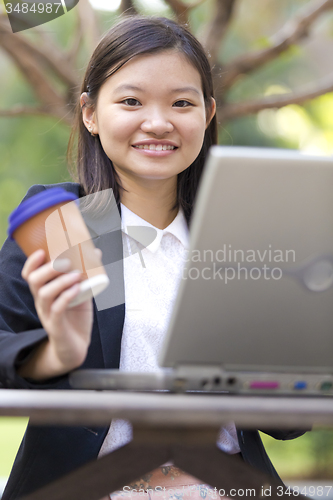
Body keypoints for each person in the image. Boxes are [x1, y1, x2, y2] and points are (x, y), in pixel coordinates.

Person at [0, 15, 305, 500]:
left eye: (181, 103)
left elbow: (289, 424)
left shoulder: (241, 236)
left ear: (206, 115)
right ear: (90, 113)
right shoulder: (62, 223)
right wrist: (56, 352)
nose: (158, 122)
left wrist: (293, 356)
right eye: (131, 101)